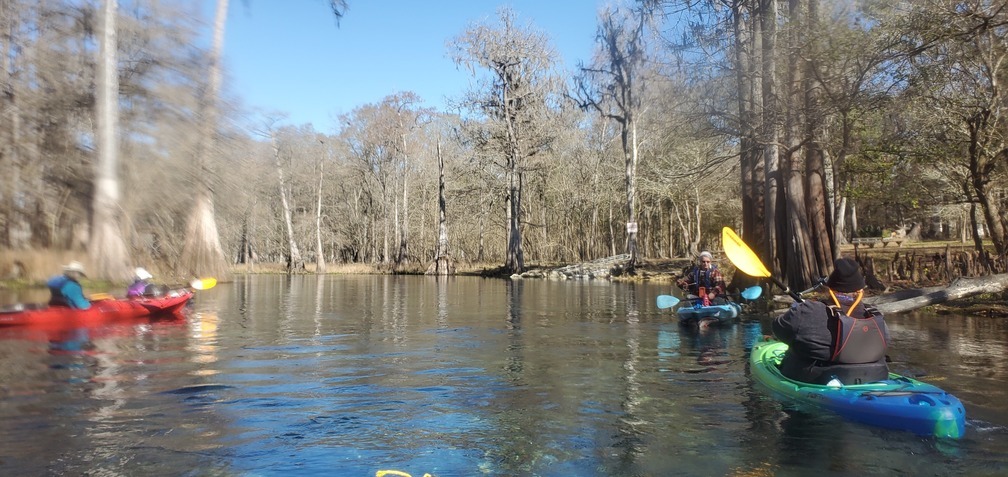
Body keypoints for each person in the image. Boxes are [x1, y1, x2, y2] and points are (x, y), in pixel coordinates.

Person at [771, 257, 890, 385]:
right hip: (876, 377)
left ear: (830, 289)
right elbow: (886, 341)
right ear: (861, 290)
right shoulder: (875, 315)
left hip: (818, 380)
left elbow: (778, 328)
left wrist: (795, 311)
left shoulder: (807, 311)